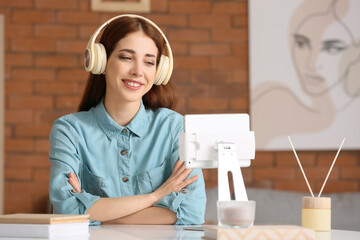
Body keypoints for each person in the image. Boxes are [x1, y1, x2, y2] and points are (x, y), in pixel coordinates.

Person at [48, 14, 206, 225]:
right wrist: (156, 196)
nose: (138, 71)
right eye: (126, 57)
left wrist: (96, 213)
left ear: (159, 72)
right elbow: (68, 211)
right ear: (100, 62)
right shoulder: (69, 131)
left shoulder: (175, 128)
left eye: (149, 62)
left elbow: (192, 213)